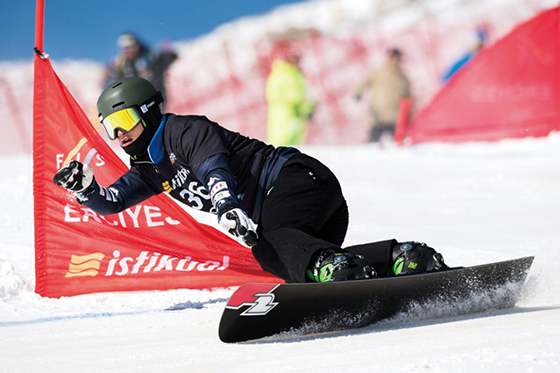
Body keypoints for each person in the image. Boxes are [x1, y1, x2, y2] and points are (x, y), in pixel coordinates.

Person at [53, 77, 448, 283]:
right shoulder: (149, 167)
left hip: (299, 180)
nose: (118, 135)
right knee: (271, 254)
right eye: (110, 127)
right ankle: (398, 258)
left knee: (274, 238)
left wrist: (226, 205)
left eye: (124, 121)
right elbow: (112, 201)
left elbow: (213, 168)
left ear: (148, 112)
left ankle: (332, 262)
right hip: (303, 216)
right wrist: (86, 189)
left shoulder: (185, 131)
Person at [103, 32, 177, 106]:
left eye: (131, 47)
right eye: (125, 48)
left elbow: (169, 57)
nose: (129, 51)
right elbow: (111, 86)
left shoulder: (150, 58)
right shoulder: (119, 66)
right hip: (132, 104)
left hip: (154, 101)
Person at [355, 48, 411, 143]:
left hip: (395, 119)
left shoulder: (403, 79)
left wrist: (409, 117)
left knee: (398, 147)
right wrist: (358, 93)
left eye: (397, 58)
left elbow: (408, 101)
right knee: (372, 145)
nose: (395, 60)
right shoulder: (379, 73)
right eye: (393, 57)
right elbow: (363, 82)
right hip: (378, 116)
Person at [266, 49, 316, 147]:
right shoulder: (280, 73)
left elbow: (302, 95)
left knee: (295, 143)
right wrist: (292, 104)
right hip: (284, 114)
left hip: (297, 114)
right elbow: (273, 95)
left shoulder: (297, 74)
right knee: (281, 141)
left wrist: (307, 108)